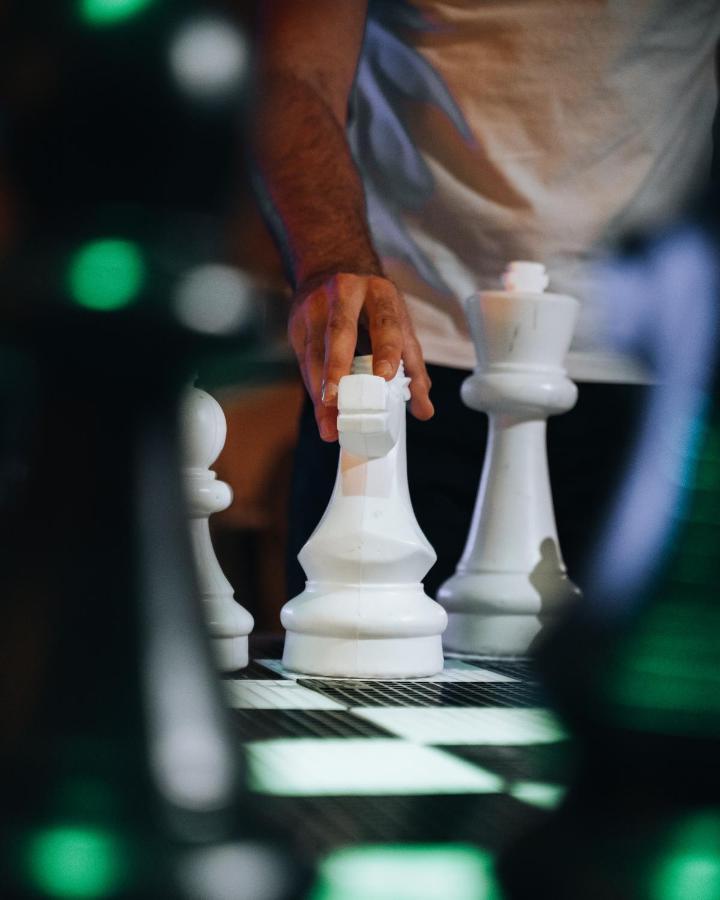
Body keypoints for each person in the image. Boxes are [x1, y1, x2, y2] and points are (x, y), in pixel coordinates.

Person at [251, 0, 720, 599]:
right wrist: (331, 259)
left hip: (656, 378)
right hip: (402, 363)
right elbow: (292, 70)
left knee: (641, 682)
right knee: (361, 665)